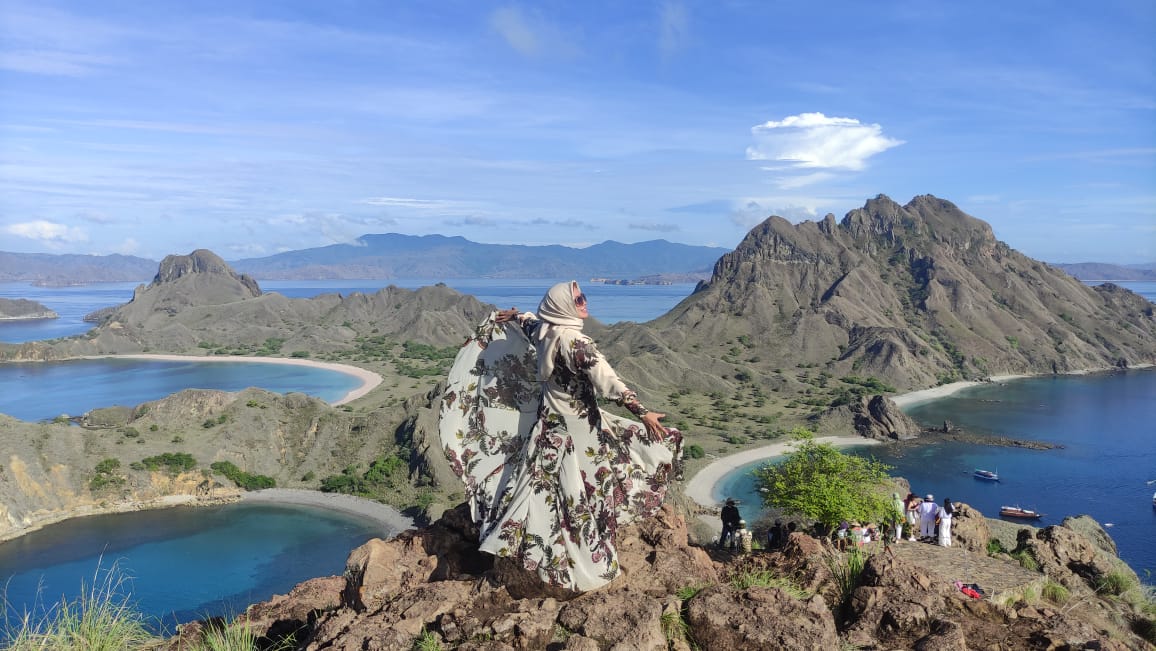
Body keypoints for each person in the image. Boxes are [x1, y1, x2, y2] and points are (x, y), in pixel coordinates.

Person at [439, 280, 683, 592]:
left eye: (583, 296)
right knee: (590, 490)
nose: (584, 302)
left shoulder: (545, 332)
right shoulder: (576, 344)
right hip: (581, 429)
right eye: (578, 299)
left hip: (549, 426)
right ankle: (588, 559)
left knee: (545, 490)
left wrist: (515, 315)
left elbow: (530, 324)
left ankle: (535, 546)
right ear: (562, 307)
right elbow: (609, 382)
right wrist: (643, 413)